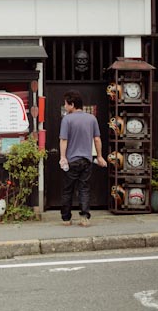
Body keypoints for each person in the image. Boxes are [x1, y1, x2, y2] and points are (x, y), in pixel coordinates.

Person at [59, 90, 107, 227]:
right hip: (87, 160)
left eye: (66, 104)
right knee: (84, 189)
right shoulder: (91, 119)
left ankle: (66, 218)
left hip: (71, 161)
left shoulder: (67, 119)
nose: (65, 106)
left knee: (68, 189)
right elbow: (97, 139)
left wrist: (63, 157)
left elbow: (63, 140)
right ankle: (85, 217)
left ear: (72, 104)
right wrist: (99, 156)